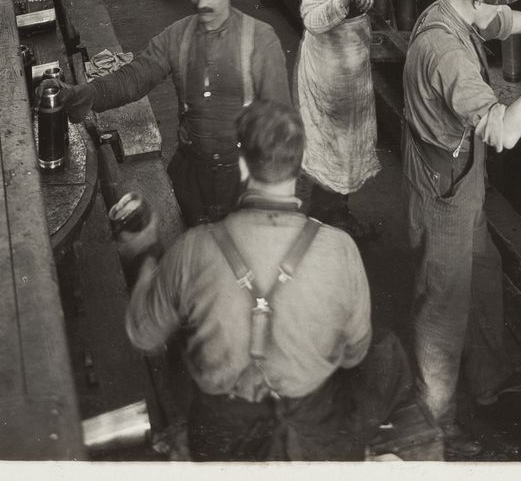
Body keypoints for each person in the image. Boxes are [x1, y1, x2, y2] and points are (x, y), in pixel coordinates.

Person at [118, 101, 413, 460]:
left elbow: (143, 335)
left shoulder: (195, 248)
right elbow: (354, 354)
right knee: (384, 352)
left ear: (243, 165)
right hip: (313, 435)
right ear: (300, 167)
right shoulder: (340, 248)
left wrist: (144, 252)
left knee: (186, 329)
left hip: (223, 440)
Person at [402, 0, 521, 456]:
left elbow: (501, 19)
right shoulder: (449, 55)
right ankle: (436, 424)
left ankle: (488, 376)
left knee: (482, 269)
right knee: (443, 304)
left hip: (457, 173)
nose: (494, 12)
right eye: (489, 3)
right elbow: (502, 133)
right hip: (444, 187)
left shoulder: (448, 9)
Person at [67, 0, 290, 223]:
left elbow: (281, 123)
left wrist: (273, 194)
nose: (202, 2)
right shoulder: (178, 36)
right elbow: (135, 77)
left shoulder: (261, 40)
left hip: (244, 179)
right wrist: (88, 94)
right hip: (191, 173)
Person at [296, 0, 438, 240]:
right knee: (335, 146)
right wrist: (345, 2)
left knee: (342, 147)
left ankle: (332, 212)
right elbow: (312, 18)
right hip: (330, 70)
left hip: (349, 60)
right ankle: (329, 221)